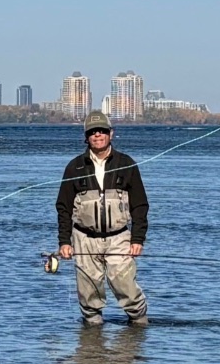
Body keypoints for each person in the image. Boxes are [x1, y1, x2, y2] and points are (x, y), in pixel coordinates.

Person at [54, 111, 150, 326]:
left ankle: (140, 330)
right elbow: (63, 207)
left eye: (102, 131)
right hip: (84, 239)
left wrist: (138, 239)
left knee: (125, 285)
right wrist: (64, 242)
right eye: (92, 132)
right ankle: (91, 347)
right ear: (86, 137)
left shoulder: (127, 163)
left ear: (111, 134)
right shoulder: (74, 167)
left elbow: (140, 205)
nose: (98, 135)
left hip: (119, 237)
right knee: (89, 294)